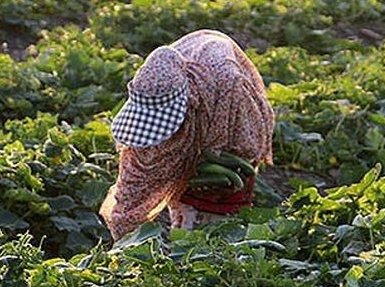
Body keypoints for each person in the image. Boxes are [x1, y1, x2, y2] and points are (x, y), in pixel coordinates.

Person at [100, 30, 275, 240]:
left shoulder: (230, 87)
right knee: (178, 180)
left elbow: (249, 148)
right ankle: (182, 235)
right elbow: (134, 180)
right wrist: (124, 234)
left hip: (225, 84)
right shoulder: (153, 84)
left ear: (188, 101)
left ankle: (219, 246)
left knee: (218, 197)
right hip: (196, 69)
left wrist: (215, 166)